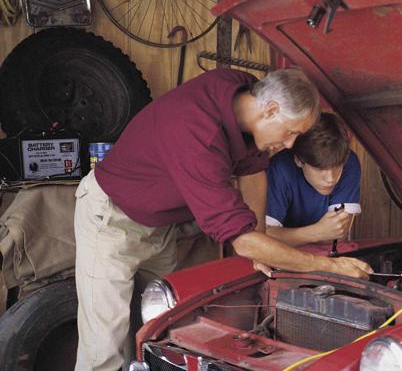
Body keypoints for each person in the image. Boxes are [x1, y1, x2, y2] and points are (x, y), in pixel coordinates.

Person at [73, 68, 373, 371]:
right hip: (111, 218)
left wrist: (262, 238)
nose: (293, 144)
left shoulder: (241, 91)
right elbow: (241, 241)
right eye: (291, 132)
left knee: (166, 330)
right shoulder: (196, 133)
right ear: (270, 110)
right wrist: (329, 266)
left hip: (161, 225)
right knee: (104, 345)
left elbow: (253, 171)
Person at [266, 113, 361, 246]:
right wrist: (317, 232)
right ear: (298, 160)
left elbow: (337, 236)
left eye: (337, 166)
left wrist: (287, 236)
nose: (331, 179)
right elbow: (264, 239)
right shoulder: (279, 168)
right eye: (320, 169)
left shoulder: (349, 162)